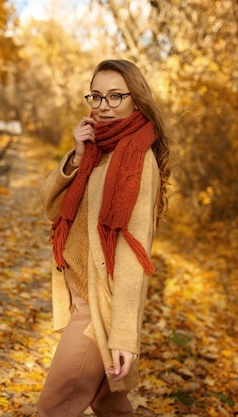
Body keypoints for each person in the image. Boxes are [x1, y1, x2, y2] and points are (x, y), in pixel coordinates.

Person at [38, 59, 171, 417]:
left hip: (98, 313)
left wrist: (124, 336)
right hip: (82, 298)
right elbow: (51, 206)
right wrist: (78, 157)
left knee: (53, 408)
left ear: (136, 100)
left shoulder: (137, 162)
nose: (103, 107)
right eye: (96, 97)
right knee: (110, 406)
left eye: (115, 96)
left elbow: (133, 255)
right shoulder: (96, 151)